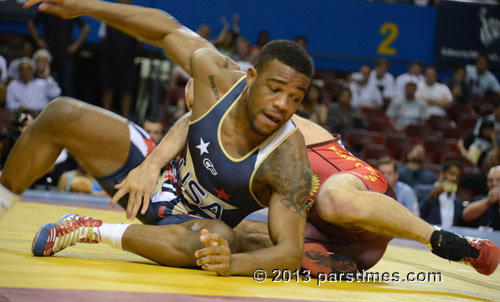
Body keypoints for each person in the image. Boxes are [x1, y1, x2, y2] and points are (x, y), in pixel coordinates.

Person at [34, 76, 500, 278]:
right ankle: (92, 230)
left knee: (335, 201)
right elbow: (190, 126)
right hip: (332, 243)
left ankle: (446, 240)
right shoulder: (205, 134)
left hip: (347, 195)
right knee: (224, 242)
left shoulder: (249, 108)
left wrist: (152, 163)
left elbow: (193, 121)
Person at [3, 0, 313, 277]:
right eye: (274, 90)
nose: (282, 105)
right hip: (154, 178)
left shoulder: (288, 158)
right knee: (61, 113)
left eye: (295, 98)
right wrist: (85, 6)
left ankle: (89, 230)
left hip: (194, 226)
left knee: (216, 241)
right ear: (251, 77)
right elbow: (166, 30)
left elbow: (289, 252)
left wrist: (235, 264)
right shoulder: (217, 78)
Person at [27, 0, 89, 97]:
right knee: (45, 82)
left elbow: (85, 27)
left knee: (66, 85)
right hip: (49, 51)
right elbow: (31, 24)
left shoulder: (69, 10)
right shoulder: (46, 9)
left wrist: (76, 45)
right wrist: (38, 40)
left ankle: (67, 113)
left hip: (65, 52)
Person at [98, 0, 141, 118]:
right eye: (121, 4)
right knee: (107, 88)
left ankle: (125, 117)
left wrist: (129, 50)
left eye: (126, 5)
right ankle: (105, 115)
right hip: (110, 60)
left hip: (127, 62)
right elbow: (102, 36)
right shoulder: (108, 18)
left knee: (126, 90)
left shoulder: (135, 22)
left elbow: (141, 41)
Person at [419, 161, 467, 228]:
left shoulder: (458, 203)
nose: (454, 179)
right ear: (442, 174)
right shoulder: (424, 191)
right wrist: (430, 197)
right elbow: (417, 215)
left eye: (458, 177)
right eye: (451, 174)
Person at [462, 165, 500, 230]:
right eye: (490, 180)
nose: (494, 184)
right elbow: (465, 217)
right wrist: (488, 202)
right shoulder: (479, 198)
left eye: (498, 180)